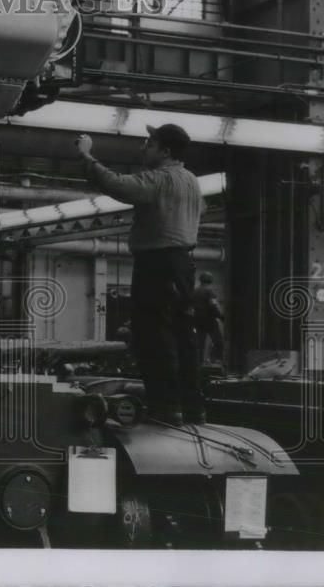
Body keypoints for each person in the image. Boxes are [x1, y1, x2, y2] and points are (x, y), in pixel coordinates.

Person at [76, 123, 205, 425]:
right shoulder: (192, 181)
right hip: (183, 265)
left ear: (165, 151)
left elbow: (116, 184)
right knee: (183, 337)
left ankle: (164, 408)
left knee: (154, 336)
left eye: (149, 143)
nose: (143, 148)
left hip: (157, 265)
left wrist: (86, 156)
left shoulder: (160, 180)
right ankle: (192, 408)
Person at [193, 271, 226, 364]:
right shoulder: (210, 291)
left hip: (197, 320)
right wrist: (221, 317)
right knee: (219, 341)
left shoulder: (195, 291)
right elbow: (213, 306)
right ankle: (214, 360)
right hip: (209, 320)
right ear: (210, 280)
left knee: (200, 343)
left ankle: (199, 363)